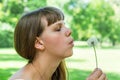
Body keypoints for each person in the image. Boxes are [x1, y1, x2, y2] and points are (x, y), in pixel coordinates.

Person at [9, 6, 107, 80]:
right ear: (39, 43)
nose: (69, 30)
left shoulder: (52, 75)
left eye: (65, 25)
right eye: (58, 29)